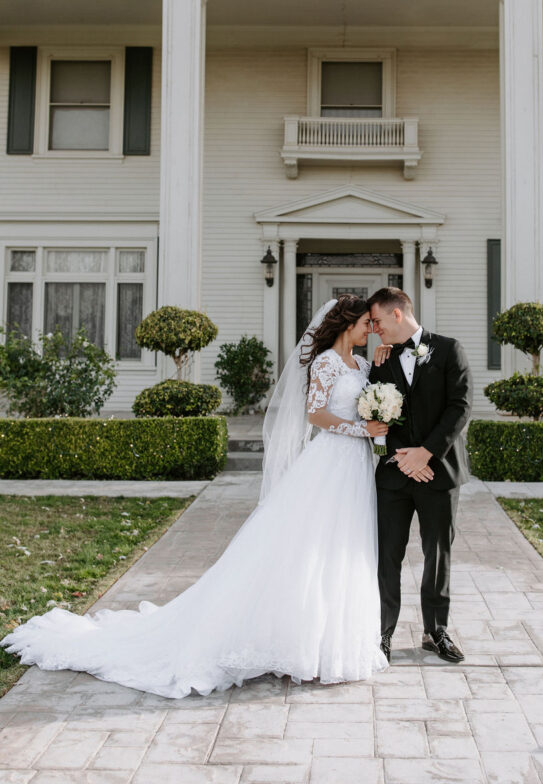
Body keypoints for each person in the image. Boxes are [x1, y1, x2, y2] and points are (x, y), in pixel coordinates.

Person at [0, 295, 389, 698]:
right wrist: (362, 430)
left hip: (355, 467)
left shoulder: (361, 364)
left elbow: (368, 402)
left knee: (341, 547)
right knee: (307, 547)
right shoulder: (325, 361)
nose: (369, 330)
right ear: (347, 324)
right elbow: (316, 415)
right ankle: (299, 645)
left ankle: (331, 645)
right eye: (365, 324)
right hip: (328, 463)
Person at [368, 286, 473, 665]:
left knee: (437, 553)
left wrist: (427, 453)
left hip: (438, 473)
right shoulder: (379, 361)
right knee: (387, 556)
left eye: (378, 321)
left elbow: (460, 406)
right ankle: (383, 633)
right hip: (394, 477)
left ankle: (436, 631)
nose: (374, 330)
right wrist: (403, 457)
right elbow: (375, 414)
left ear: (398, 314)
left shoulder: (449, 349)